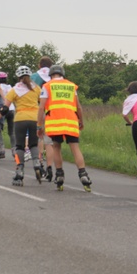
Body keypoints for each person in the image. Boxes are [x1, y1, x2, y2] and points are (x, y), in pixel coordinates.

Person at [37, 64, 91, 192]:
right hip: (71, 122)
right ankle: (83, 175)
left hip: (55, 123)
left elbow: (41, 108)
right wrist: (81, 121)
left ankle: (60, 176)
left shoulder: (47, 86)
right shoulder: (72, 86)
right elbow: (78, 107)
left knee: (56, 147)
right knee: (75, 148)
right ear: (63, 74)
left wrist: (39, 125)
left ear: (50, 75)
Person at [0, 66, 43, 186]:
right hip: (34, 118)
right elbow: (42, 104)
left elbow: (5, 108)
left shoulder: (14, 89)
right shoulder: (36, 88)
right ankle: (36, 163)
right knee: (33, 144)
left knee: (19, 147)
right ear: (30, 76)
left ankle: (19, 173)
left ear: (18, 76)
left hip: (20, 119)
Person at [30, 56, 55, 181]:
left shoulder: (34, 76)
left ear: (40, 65)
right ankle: (50, 166)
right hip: (53, 110)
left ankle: (39, 162)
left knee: (39, 136)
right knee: (49, 141)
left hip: (38, 108)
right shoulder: (54, 76)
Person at [0, 71, 15, 157]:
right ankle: (14, 151)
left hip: (2, 109)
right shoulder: (10, 87)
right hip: (11, 109)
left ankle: (2, 150)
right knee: (12, 132)